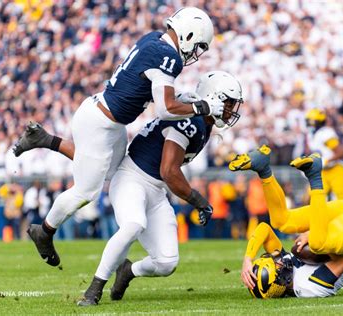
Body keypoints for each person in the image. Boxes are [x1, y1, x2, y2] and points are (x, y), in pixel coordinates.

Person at [12, 7, 222, 267]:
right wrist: (202, 107)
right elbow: (165, 109)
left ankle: (45, 140)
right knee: (86, 192)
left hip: (107, 119)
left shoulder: (154, 39)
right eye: (199, 45)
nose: (196, 53)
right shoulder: (169, 57)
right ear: (189, 33)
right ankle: (44, 231)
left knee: (111, 171)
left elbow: (155, 90)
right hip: (100, 124)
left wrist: (183, 100)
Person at [76, 71, 243, 305]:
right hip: (131, 178)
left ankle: (128, 271)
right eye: (228, 103)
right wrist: (198, 200)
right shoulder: (192, 120)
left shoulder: (200, 121)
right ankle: (94, 289)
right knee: (133, 225)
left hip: (156, 190)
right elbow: (169, 171)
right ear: (213, 96)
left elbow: (166, 174)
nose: (230, 109)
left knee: (166, 262)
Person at [229, 146, 343, 298]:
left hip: (340, 211)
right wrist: (311, 234)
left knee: (281, 221)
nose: (276, 259)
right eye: (276, 265)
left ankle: (264, 170)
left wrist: (248, 258)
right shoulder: (307, 287)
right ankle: (315, 177)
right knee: (317, 243)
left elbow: (264, 228)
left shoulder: (283, 268)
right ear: (281, 280)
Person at [305, 109, 343, 199]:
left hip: (335, 169)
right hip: (321, 171)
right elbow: (312, 152)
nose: (309, 124)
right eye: (308, 121)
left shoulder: (325, 133)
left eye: (312, 121)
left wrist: (326, 160)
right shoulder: (310, 135)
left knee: (342, 200)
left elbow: (341, 152)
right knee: (312, 198)